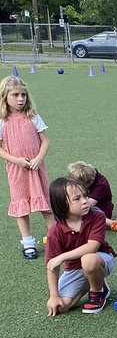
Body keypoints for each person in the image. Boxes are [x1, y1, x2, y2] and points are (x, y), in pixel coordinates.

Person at [45, 176, 116, 315]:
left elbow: (92, 247)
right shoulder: (55, 231)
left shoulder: (97, 216)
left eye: (85, 195)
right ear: (62, 204)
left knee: (88, 260)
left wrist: (62, 257)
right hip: (74, 269)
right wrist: (53, 296)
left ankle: (97, 292)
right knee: (60, 307)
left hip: (100, 260)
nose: (85, 201)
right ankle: (93, 282)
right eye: (77, 199)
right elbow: (52, 265)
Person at [0, 76, 52, 259]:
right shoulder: (2, 121)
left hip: (37, 168)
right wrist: (16, 160)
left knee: (46, 202)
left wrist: (38, 158)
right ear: (5, 96)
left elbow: (45, 141)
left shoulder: (33, 116)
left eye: (23, 94)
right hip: (17, 170)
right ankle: (28, 242)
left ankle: (55, 237)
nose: (20, 98)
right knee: (21, 205)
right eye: (15, 95)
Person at [67, 162, 117, 232]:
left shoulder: (101, 184)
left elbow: (89, 204)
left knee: (86, 207)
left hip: (102, 211)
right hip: (83, 208)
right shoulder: (84, 178)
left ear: (88, 182)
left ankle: (113, 223)